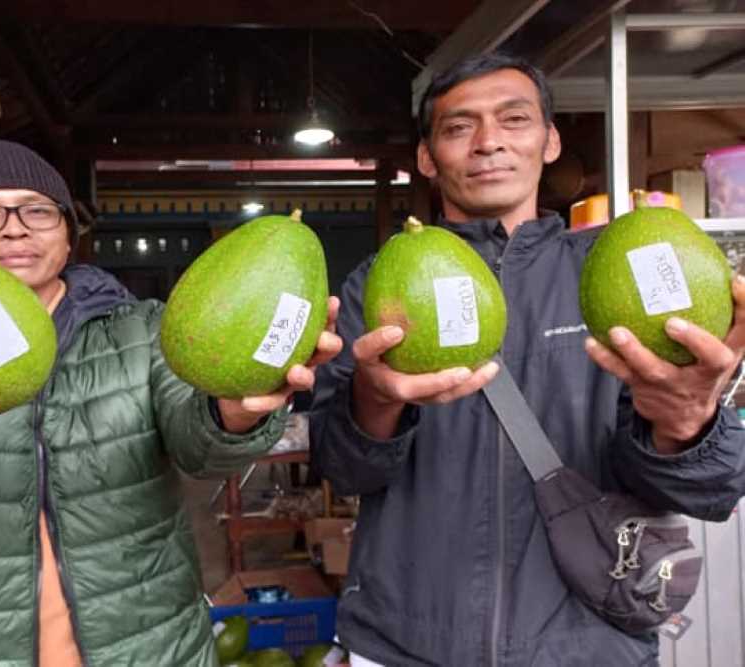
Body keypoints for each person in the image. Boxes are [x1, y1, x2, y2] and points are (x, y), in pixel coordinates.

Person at [0, 140, 342, 667]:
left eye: (38, 210)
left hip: (149, 644)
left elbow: (201, 450)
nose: (14, 227)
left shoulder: (143, 329)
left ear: (69, 235)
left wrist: (235, 413)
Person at [310, 53, 745, 666]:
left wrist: (687, 418)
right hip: (404, 644)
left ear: (550, 141)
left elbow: (714, 492)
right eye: (459, 127)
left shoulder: (611, 278)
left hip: (588, 650)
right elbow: (343, 471)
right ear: (428, 158)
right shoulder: (376, 288)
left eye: (514, 120)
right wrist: (375, 399)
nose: (489, 142)